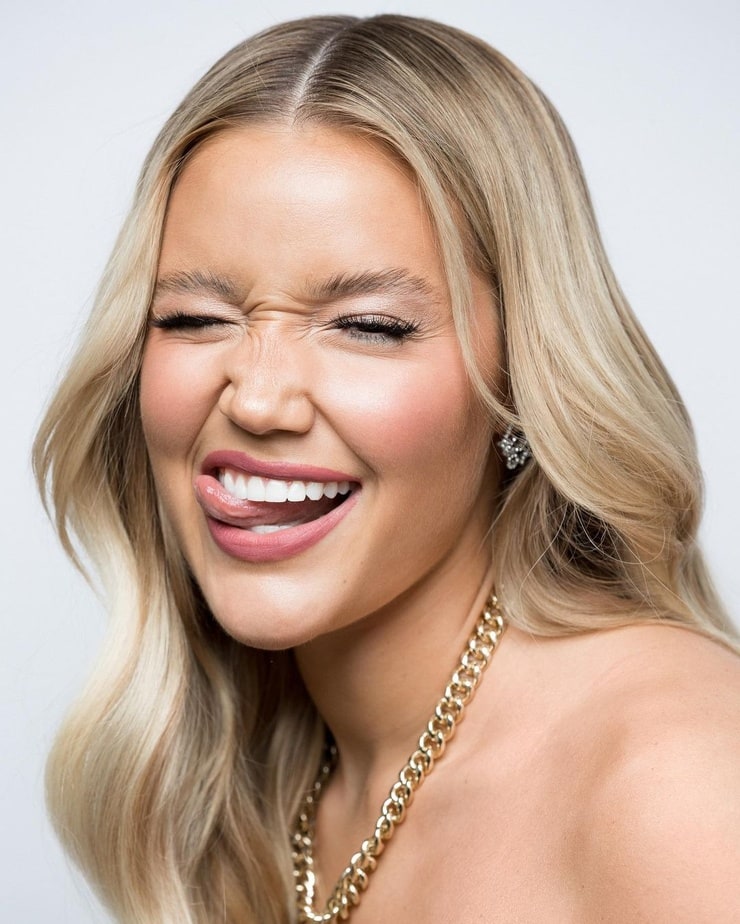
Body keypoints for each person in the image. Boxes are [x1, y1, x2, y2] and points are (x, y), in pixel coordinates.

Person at [33, 13, 740, 924]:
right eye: (194, 319)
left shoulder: (679, 778)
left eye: (367, 326)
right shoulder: (254, 790)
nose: (258, 399)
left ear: (523, 381)